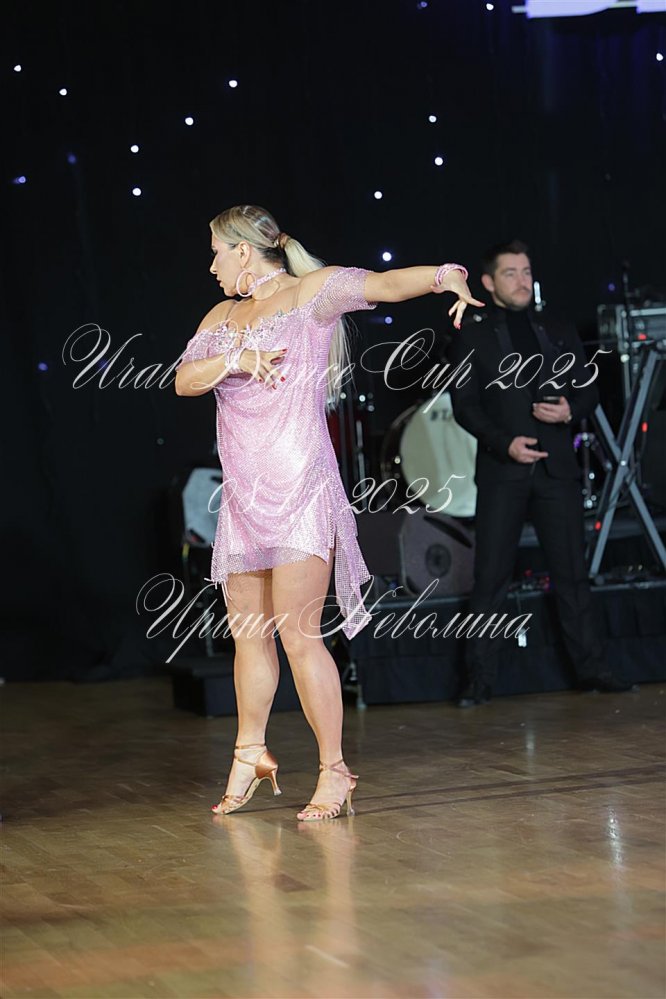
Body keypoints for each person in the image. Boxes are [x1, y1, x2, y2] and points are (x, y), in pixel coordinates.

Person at [175, 204, 483, 818]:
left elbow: (385, 284)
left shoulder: (309, 294)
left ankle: (335, 772)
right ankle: (249, 754)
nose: (211, 266)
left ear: (242, 250)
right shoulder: (222, 317)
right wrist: (235, 359)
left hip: (300, 491)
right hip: (245, 498)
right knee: (249, 637)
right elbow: (185, 380)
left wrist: (445, 275)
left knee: (298, 635)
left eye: (216, 253)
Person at [448, 239, 633, 707]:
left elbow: (588, 389)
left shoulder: (557, 327)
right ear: (488, 282)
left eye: (526, 271)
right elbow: (464, 406)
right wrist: (503, 442)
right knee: (491, 578)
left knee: (572, 575)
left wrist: (571, 409)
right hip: (503, 469)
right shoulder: (473, 334)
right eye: (510, 273)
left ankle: (593, 670)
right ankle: (478, 681)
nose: (522, 281)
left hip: (556, 468)